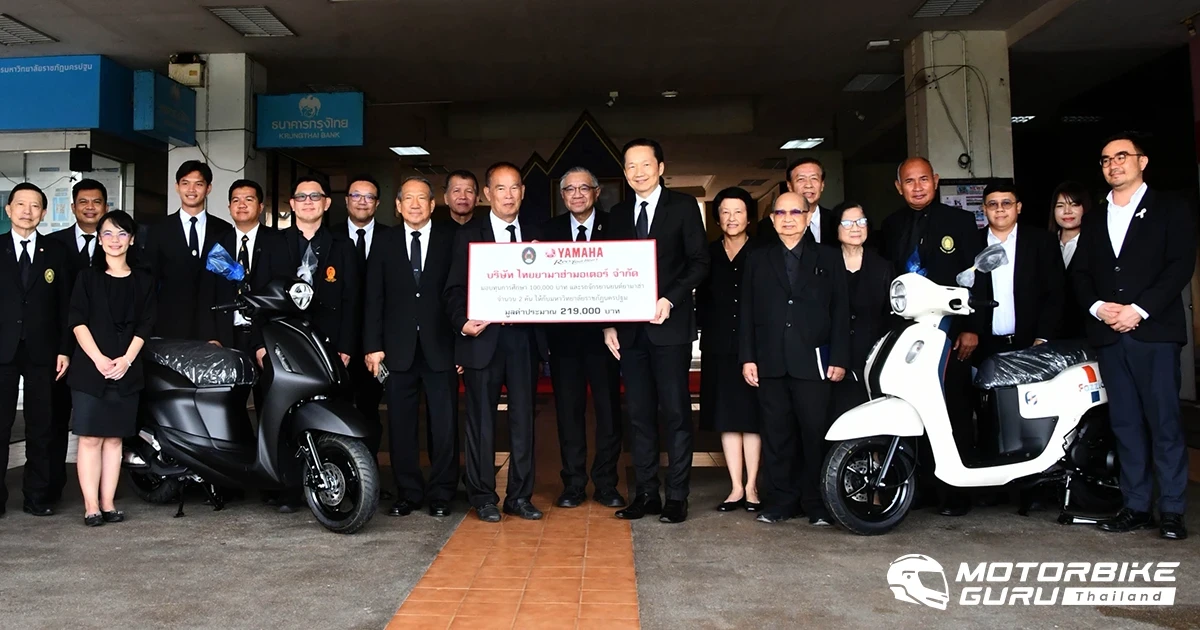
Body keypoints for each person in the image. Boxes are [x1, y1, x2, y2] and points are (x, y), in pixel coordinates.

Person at [1074, 133, 1195, 541]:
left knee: (1164, 423)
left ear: (1142, 162)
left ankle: (1172, 510)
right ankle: (1136, 505)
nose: (1113, 164)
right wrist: (1097, 307)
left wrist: (1139, 310)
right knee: (1125, 424)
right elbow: (1081, 273)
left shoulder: (1170, 208)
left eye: (1122, 156)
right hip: (1109, 336)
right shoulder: (1095, 217)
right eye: (1106, 159)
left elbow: (1180, 265)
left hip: (1153, 333)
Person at [603, 138, 710, 524]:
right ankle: (646, 493)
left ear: (661, 167)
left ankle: (677, 496)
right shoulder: (617, 214)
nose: (639, 172)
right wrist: (608, 321)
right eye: (631, 166)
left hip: (670, 327)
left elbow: (700, 262)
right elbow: (608, 270)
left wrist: (670, 299)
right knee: (639, 415)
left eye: (645, 164)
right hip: (630, 333)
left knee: (676, 412)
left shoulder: (683, 206)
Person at [878, 157, 984, 516]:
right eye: (909, 181)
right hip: (908, 335)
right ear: (899, 187)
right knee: (912, 406)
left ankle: (956, 492)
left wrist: (971, 327)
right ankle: (920, 487)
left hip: (951, 333)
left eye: (923, 179)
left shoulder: (960, 222)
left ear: (935, 181)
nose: (918, 187)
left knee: (953, 407)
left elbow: (978, 277)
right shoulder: (891, 225)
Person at [740, 192, 849, 526]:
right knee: (776, 435)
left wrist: (840, 357)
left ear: (808, 216)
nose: (788, 219)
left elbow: (841, 310)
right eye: (781, 213)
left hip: (814, 362)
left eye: (795, 212)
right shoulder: (758, 258)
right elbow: (747, 312)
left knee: (814, 434)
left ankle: (817, 504)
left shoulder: (829, 257)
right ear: (772, 219)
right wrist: (748, 357)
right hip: (770, 361)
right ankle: (780, 502)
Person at [445, 162, 545, 522]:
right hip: (482, 339)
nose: (508, 195)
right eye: (500, 188)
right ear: (487, 194)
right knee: (481, 422)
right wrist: (462, 324)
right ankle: (483, 496)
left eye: (514, 187)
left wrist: (545, 265)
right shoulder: (468, 234)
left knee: (523, 421)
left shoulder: (536, 234)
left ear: (523, 192)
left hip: (523, 340)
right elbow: (453, 289)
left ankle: (520, 496)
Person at [364, 176, 460, 518]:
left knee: (444, 425)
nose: (415, 204)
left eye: (422, 198)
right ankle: (408, 492)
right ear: (398, 205)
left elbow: (460, 293)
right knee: (401, 425)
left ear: (433, 204)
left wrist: (462, 346)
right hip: (397, 349)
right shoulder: (384, 241)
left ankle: (442, 493)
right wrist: (373, 346)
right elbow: (373, 296)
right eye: (408, 198)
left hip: (442, 347)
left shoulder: (451, 238)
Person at [542, 167, 625, 510]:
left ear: (596, 192)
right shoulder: (548, 232)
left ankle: (606, 483)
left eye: (583, 188)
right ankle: (573, 484)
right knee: (568, 413)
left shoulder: (616, 227)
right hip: (564, 339)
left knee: (609, 412)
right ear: (562, 196)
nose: (577, 195)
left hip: (606, 337)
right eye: (569, 190)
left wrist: (611, 322)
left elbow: (625, 277)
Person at [67, 210, 156, 526]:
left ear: (131, 240)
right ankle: (91, 505)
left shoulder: (143, 280)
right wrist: (98, 359)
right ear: (99, 239)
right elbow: (77, 321)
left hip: (127, 368)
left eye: (121, 234)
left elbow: (146, 324)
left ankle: (108, 502)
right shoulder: (87, 277)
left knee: (115, 439)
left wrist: (126, 360)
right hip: (90, 369)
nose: (114, 240)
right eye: (107, 233)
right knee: (91, 438)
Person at [0, 183, 72, 517]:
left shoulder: (56, 252)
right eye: (21, 204)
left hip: (44, 351)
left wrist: (65, 349)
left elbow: (66, 306)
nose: (27, 211)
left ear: (43, 213)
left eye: (34, 206)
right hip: (2, 350)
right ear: (8, 209)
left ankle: (37, 496)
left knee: (42, 426)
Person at [697, 186, 761, 512]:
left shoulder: (763, 253)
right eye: (725, 212)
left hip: (755, 348)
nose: (731, 218)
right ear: (717, 218)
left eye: (738, 212)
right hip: (718, 346)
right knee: (726, 417)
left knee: (752, 418)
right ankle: (735, 487)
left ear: (749, 217)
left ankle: (753, 487)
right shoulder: (707, 254)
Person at [45, 178, 107, 505]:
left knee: (103, 422)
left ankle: (105, 490)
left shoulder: (117, 242)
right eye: (83, 202)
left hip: (104, 349)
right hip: (61, 346)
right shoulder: (53, 245)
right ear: (72, 207)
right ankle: (51, 487)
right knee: (54, 419)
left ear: (106, 207)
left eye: (96, 202)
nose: (90, 207)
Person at [972, 183, 1064, 361]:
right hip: (983, 346)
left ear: (1018, 207)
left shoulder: (1042, 241)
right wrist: (970, 330)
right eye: (993, 204)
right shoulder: (972, 242)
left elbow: (1056, 293)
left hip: (1032, 344)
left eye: (1006, 203)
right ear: (984, 209)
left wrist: (1043, 337)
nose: (1000, 209)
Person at [141, 160, 231, 341]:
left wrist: (220, 333)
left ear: (208, 188)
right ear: (177, 187)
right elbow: (149, 281)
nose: (191, 190)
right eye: (185, 183)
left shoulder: (223, 230)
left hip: (210, 328)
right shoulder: (159, 230)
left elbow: (225, 284)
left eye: (198, 184)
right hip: (168, 327)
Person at [209, 180, 290, 368]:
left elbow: (281, 295)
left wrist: (263, 341)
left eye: (248, 199)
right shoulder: (218, 244)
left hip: (266, 338)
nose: (242, 205)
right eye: (236, 200)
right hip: (226, 338)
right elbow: (208, 291)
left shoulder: (278, 242)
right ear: (229, 207)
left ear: (260, 207)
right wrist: (212, 336)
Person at [830, 202, 893, 418]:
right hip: (833, 362)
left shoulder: (882, 266)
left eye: (861, 221)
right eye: (848, 223)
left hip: (872, 358)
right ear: (836, 228)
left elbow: (890, 315)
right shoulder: (825, 263)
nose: (855, 228)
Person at [342, 175, 389, 462]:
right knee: (339, 408)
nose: (362, 201)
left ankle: (368, 470)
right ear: (346, 200)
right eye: (356, 195)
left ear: (378, 203)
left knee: (370, 409)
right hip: (338, 344)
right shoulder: (331, 237)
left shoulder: (391, 237)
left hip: (378, 343)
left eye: (369, 196)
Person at [757, 157, 838, 245]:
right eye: (801, 179)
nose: (808, 185)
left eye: (814, 178)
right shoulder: (766, 227)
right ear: (790, 186)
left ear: (822, 185)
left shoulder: (836, 221)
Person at [1049, 181, 1093, 339]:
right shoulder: (1044, 243)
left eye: (1074, 205)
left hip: (1085, 332)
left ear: (1085, 208)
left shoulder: (1095, 244)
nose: (1067, 211)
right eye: (1060, 206)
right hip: (1050, 331)